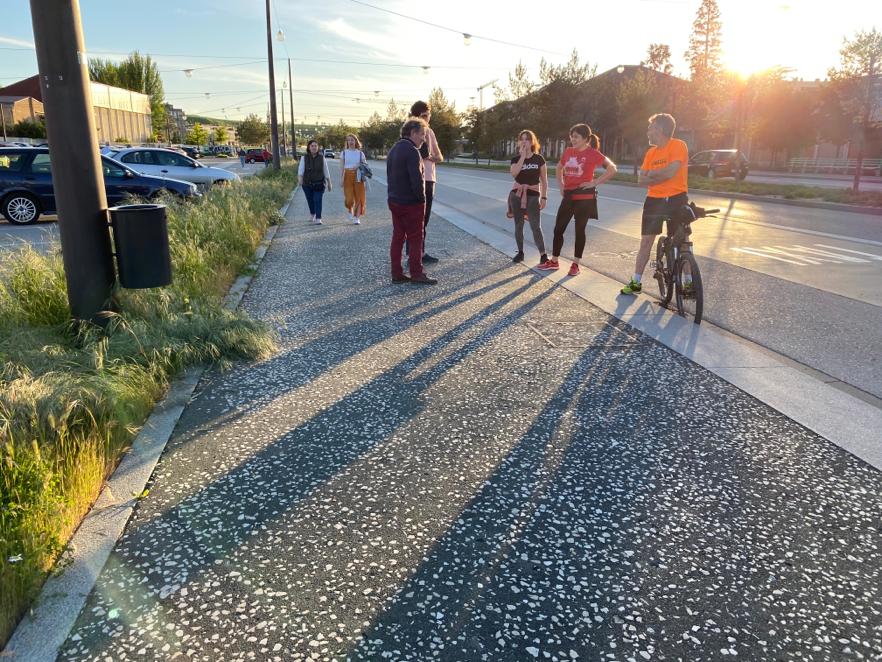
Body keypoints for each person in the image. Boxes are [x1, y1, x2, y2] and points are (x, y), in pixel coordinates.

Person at [620, 113, 688, 295]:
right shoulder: (651, 153)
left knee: (682, 239)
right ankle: (636, 282)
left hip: (676, 198)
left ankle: (688, 282)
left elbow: (670, 172)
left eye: (650, 128)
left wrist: (651, 176)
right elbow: (640, 180)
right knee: (646, 241)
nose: (647, 132)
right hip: (654, 200)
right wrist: (657, 176)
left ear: (660, 130)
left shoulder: (678, 145)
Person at [538, 124, 617, 276]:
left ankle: (575, 264)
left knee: (579, 231)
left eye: (576, 137)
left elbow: (612, 168)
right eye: (571, 136)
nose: (572, 139)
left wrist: (594, 182)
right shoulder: (568, 151)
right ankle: (554, 261)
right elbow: (559, 167)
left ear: (586, 139)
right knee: (558, 229)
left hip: (584, 198)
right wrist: (561, 185)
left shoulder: (593, 153)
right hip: (568, 196)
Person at [387, 117, 436, 285]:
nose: (423, 138)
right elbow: (417, 181)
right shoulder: (412, 151)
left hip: (394, 200)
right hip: (411, 203)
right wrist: (422, 201)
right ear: (413, 132)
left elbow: (389, 176)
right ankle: (417, 273)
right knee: (416, 238)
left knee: (398, 236)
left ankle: (396, 273)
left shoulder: (394, 149)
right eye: (422, 134)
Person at [508, 129, 548, 265]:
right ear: (519, 142)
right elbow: (514, 174)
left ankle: (543, 255)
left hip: (532, 196)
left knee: (536, 226)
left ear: (532, 142)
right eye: (522, 139)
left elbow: (544, 181)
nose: (524, 141)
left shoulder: (539, 159)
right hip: (517, 195)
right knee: (518, 225)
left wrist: (544, 197)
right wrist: (523, 157)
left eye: (527, 139)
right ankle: (520, 253)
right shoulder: (515, 159)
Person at [410, 101, 443, 263]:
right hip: (415, 177)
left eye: (428, 115)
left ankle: (419, 252)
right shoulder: (409, 131)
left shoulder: (429, 132)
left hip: (429, 178)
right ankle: (413, 254)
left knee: (424, 218)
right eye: (424, 116)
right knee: (414, 217)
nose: (427, 119)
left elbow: (440, 157)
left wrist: (430, 157)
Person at [298, 139, 332, 225]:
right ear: (309, 147)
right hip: (307, 184)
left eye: (315, 146)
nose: (314, 147)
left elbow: (326, 171)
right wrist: (300, 180)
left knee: (317, 199)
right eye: (312, 146)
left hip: (319, 184)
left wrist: (329, 183)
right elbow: (300, 171)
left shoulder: (322, 158)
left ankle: (318, 217)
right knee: (310, 200)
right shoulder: (304, 158)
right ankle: (312, 213)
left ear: (318, 147)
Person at [340, 133, 367, 225]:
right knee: (349, 199)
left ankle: (357, 217)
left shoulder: (360, 154)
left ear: (356, 141)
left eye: (352, 140)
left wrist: (359, 165)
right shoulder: (343, 153)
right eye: (348, 140)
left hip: (358, 176)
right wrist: (341, 178)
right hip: (347, 175)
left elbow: (365, 166)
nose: (350, 141)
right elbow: (342, 167)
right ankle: (350, 209)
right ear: (347, 142)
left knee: (359, 197)